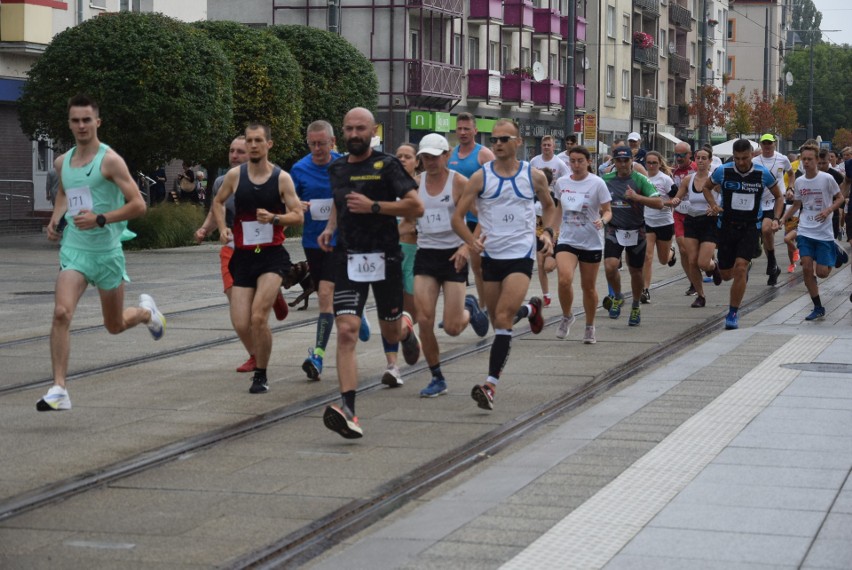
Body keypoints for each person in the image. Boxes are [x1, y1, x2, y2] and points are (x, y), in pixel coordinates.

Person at [38, 94, 166, 412]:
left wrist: (101, 218)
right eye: (75, 120)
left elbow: (138, 205)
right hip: (75, 252)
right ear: (69, 124)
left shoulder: (110, 161)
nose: (81, 125)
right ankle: (59, 388)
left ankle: (148, 313)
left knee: (114, 325)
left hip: (107, 253)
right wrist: (56, 220)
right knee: (61, 313)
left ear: (98, 122)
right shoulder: (62, 162)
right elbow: (65, 191)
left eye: (86, 119)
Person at [319, 107, 423, 439]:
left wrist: (375, 207)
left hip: (386, 257)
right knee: (347, 330)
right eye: (348, 129)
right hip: (348, 257)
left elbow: (415, 206)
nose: (353, 134)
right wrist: (330, 227)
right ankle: (348, 410)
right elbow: (340, 200)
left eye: (360, 129)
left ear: (371, 131)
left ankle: (405, 330)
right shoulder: (336, 168)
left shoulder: (387, 165)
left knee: (389, 332)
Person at [452, 119, 557, 411]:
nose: (497, 143)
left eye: (503, 139)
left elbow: (550, 207)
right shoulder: (480, 178)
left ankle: (490, 385)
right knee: (500, 318)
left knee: (502, 317)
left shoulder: (533, 176)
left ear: (518, 142)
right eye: (494, 139)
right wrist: (470, 242)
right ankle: (532, 309)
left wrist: (549, 233)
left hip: (521, 256)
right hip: (491, 257)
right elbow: (457, 218)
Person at [212, 122, 303, 394]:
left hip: (271, 255)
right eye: (249, 140)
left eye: (258, 141)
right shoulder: (234, 176)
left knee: (258, 317)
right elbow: (217, 202)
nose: (253, 145)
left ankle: (261, 374)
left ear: (268, 144)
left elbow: (298, 214)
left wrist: (275, 218)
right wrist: (222, 228)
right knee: (241, 322)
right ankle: (270, 296)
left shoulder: (281, 178)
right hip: (244, 255)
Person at [196, 136, 289, 374]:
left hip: (264, 249)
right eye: (232, 151)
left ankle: (269, 289)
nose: (234, 155)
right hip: (233, 250)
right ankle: (254, 354)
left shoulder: (271, 179)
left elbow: (288, 212)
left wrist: (275, 229)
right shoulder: (221, 182)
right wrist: (207, 229)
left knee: (256, 312)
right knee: (236, 309)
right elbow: (217, 208)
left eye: (240, 151)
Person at [292, 121, 371, 382]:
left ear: (332, 142)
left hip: (344, 240)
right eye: (312, 144)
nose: (317, 149)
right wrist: (298, 207)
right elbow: (289, 201)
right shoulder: (299, 169)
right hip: (314, 243)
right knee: (327, 294)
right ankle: (348, 320)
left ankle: (318, 352)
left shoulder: (344, 165)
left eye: (321, 144)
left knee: (329, 293)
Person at [412, 133, 488, 398]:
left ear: (446, 156)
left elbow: (483, 218)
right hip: (426, 255)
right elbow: (404, 216)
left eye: (435, 157)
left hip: (453, 256)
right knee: (424, 319)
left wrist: (467, 246)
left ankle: (470, 309)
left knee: (453, 327)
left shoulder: (459, 183)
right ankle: (436, 376)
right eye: (425, 157)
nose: (430, 162)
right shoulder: (415, 184)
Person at [704, 138, 783, 330]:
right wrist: (713, 205)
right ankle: (730, 269)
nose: (741, 162)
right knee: (725, 275)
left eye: (745, 158)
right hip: (726, 226)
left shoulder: (762, 173)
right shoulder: (724, 170)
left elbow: (778, 196)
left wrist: (776, 218)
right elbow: (706, 187)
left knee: (740, 267)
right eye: (737, 158)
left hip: (750, 227)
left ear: (752, 155)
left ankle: (732, 313)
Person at [779, 143, 845, 320]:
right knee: (807, 267)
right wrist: (783, 219)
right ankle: (818, 307)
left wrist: (828, 210)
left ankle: (836, 251)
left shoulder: (827, 179)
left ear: (816, 160)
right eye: (803, 159)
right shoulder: (799, 182)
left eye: (810, 159)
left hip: (824, 232)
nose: (806, 162)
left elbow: (840, 198)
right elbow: (797, 205)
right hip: (805, 230)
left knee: (822, 273)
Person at [553, 146, 612, 344]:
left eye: (580, 161)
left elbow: (607, 210)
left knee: (588, 287)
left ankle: (589, 325)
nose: (576, 165)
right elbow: (558, 208)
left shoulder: (597, 183)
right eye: (573, 161)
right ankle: (567, 315)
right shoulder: (561, 183)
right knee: (564, 279)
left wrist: (603, 220)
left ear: (588, 162)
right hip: (568, 239)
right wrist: (553, 231)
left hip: (591, 241)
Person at [601, 146, 664, 326]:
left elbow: (659, 203)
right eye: (619, 160)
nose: (622, 164)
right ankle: (618, 295)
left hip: (637, 230)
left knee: (635, 271)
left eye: (626, 160)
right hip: (614, 229)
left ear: (631, 161)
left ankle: (635, 305)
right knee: (610, 266)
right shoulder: (605, 180)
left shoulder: (640, 179)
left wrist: (637, 197)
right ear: (614, 161)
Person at [448, 112, 495, 313]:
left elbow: (496, 181)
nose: (463, 132)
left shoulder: (484, 154)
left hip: (480, 219)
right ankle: (456, 310)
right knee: (455, 266)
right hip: (458, 219)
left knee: (478, 266)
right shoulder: (450, 155)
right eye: (459, 128)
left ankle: (484, 307)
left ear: (475, 130)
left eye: (467, 128)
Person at [671, 147, 721, 308]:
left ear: (710, 161)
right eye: (698, 157)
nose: (700, 160)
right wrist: (674, 201)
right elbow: (678, 197)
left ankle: (714, 266)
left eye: (704, 158)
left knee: (704, 263)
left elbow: (724, 198)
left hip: (709, 222)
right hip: (691, 221)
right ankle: (701, 296)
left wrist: (716, 207)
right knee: (692, 261)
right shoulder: (688, 179)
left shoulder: (715, 180)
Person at [530, 135, 570, 307]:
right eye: (544, 145)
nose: (546, 147)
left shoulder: (559, 164)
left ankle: (565, 270)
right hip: (538, 227)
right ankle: (546, 294)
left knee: (548, 266)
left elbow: (567, 180)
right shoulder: (534, 161)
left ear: (554, 147)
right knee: (540, 263)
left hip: (553, 226)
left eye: (549, 145)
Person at [752, 134, 793, 285]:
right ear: (761, 145)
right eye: (764, 143)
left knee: (766, 229)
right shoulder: (754, 161)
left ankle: (772, 262)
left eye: (770, 143)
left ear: (775, 144)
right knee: (763, 233)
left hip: (776, 200)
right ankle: (773, 265)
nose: (767, 146)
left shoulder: (782, 158)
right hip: (758, 202)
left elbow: (791, 173)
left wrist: (790, 187)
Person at [640, 151, 678, 304]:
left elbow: (676, 198)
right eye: (648, 163)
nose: (650, 166)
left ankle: (671, 253)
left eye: (654, 163)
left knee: (663, 260)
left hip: (664, 223)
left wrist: (663, 203)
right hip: (648, 222)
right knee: (647, 257)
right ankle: (645, 290)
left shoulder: (665, 179)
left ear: (659, 164)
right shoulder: (642, 178)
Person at [395, 142, 422, 340]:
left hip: (414, 254)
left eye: (407, 157)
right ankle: (404, 336)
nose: (402, 160)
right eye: (399, 157)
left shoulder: (422, 187)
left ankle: (407, 332)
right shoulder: (386, 186)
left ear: (417, 161)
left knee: (414, 310)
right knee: (394, 307)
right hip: (392, 253)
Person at [671, 142, 698, 295]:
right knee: (683, 249)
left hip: (695, 214)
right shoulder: (674, 172)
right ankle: (693, 282)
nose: (679, 158)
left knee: (695, 251)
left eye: (682, 155)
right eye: (676, 155)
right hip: (679, 214)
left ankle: (710, 265)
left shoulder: (696, 168)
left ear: (689, 154)